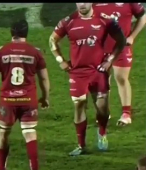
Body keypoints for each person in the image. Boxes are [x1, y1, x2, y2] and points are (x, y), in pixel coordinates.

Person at [49, 3, 126, 156]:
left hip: (98, 71)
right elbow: (52, 40)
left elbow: (121, 40)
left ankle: (102, 132)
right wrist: (60, 60)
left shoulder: (105, 20)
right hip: (77, 73)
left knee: (102, 109)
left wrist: (109, 60)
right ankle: (81, 145)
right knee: (79, 104)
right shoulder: (68, 21)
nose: (82, 4)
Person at [0, 19, 50, 170]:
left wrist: (1, 65)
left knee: (4, 132)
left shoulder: (2, 51)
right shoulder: (35, 52)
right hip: (28, 99)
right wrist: (45, 97)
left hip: (8, 100)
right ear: (26, 33)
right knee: (30, 133)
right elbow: (44, 78)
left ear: (11, 32)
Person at [93, 2, 146, 127]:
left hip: (121, 47)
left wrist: (132, 36)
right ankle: (104, 112)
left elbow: (143, 16)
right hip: (100, 48)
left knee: (121, 78)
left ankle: (126, 114)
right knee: (102, 80)